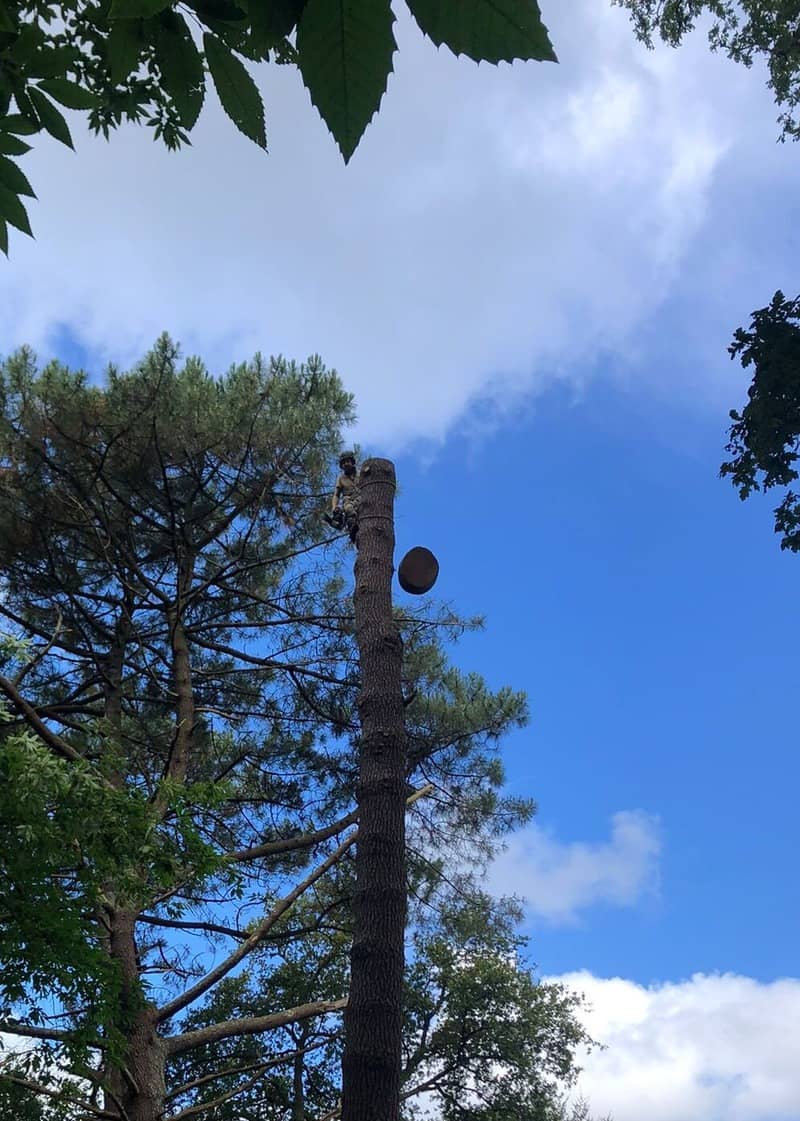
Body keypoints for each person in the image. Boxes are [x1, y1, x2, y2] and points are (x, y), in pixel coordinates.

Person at [325, 451, 359, 538]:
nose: (346, 464)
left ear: (352, 462)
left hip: (361, 498)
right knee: (348, 509)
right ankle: (352, 529)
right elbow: (336, 495)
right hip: (348, 501)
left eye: (347, 461)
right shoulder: (341, 479)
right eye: (343, 463)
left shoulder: (361, 474)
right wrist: (334, 507)